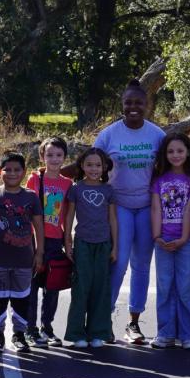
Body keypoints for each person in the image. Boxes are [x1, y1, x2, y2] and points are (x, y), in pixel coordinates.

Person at [88, 79, 164, 344]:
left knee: (141, 265)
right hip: (118, 206)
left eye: (139, 103)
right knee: (118, 264)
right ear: (122, 105)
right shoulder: (109, 135)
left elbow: (168, 169)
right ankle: (103, 320)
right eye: (128, 103)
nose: (133, 107)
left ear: (147, 105)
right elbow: (92, 166)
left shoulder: (157, 135)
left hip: (146, 206)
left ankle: (133, 323)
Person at [0, 152, 45, 353]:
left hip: (24, 261)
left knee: (21, 297)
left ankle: (19, 334)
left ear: (24, 172)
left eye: (17, 169)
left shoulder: (31, 197)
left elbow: (39, 227)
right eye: (7, 169)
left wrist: (39, 253)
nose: (12, 173)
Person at [150, 132, 190, 350]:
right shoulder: (158, 178)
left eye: (180, 151)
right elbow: (155, 208)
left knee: (185, 287)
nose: (175, 155)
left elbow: (189, 210)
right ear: (164, 154)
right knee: (164, 287)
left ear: (188, 152)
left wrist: (183, 238)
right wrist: (157, 236)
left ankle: (189, 335)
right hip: (162, 239)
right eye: (171, 151)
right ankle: (165, 333)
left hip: (188, 240)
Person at [63, 146, 117, 348]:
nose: (94, 169)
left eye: (98, 165)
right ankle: (77, 333)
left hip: (103, 244)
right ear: (82, 166)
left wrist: (115, 247)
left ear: (104, 167)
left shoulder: (108, 190)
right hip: (83, 243)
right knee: (81, 288)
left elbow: (113, 219)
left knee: (101, 289)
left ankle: (98, 332)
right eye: (89, 165)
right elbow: (69, 216)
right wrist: (67, 240)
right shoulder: (76, 188)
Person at [25, 137, 72, 346]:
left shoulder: (67, 183)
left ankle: (47, 327)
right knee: (32, 286)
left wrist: (67, 242)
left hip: (54, 240)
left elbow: (68, 217)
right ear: (42, 156)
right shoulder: (34, 179)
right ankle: (30, 328)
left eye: (58, 155)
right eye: (49, 155)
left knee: (51, 287)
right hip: (34, 239)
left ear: (64, 157)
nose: (54, 159)